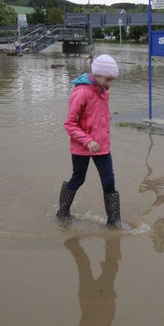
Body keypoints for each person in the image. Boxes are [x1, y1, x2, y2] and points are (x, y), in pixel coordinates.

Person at [56, 54, 125, 228]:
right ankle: (63, 213)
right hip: (82, 146)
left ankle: (114, 222)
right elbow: (69, 124)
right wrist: (87, 141)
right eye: (108, 79)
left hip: (101, 146)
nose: (109, 84)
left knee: (109, 182)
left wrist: (100, 140)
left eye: (112, 80)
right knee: (78, 179)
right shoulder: (81, 93)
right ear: (98, 75)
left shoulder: (104, 92)